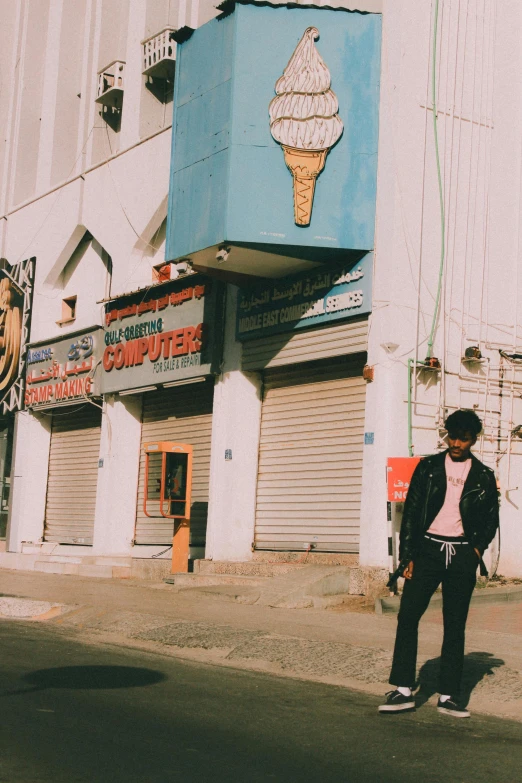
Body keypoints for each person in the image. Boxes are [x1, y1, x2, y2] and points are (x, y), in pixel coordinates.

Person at [379, 409, 499, 718]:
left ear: (473, 439)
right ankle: (403, 690)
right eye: (452, 436)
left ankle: (448, 696)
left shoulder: (483, 475)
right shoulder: (428, 468)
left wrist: (476, 550)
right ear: (446, 435)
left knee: (454, 625)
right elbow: (413, 513)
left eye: (464, 438)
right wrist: (408, 556)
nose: (456, 443)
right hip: (428, 551)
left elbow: (490, 520)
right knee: (408, 617)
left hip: (461, 555)